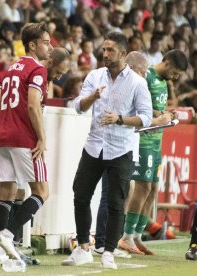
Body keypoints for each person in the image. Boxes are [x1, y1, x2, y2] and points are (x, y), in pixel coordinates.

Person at [61, 31, 153, 270]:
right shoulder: (94, 75)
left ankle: (109, 251)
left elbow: (145, 118)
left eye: (110, 50)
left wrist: (120, 119)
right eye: (104, 49)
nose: (105, 54)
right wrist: (93, 96)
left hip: (121, 149)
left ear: (122, 54)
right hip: (94, 145)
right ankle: (83, 247)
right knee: (80, 194)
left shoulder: (138, 82)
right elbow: (78, 107)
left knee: (115, 202)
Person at [0, 46, 70, 266]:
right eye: (60, 71)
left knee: (7, 190)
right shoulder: (38, 70)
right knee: (42, 192)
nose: (59, 76)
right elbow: (33, 105)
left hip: (4, 137)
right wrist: (42, 138)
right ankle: (7, 236)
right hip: (24, 138)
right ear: (50, 60)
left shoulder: (13, 67)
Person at [119, 49, 188, 256]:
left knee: (153, 188)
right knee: (142, 186)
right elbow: (138, 107)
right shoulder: (145, 75)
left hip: (157, 140)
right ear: (166, 63)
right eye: (175, 72)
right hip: (143, 139)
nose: (175, 78)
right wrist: (160, 114)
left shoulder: (163, 82)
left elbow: (156, 107)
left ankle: (138, 234)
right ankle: (126, 236)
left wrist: (167, 113)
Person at [93, 51, 151, 259]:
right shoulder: (120, 88)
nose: (145, 76)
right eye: (143, 72)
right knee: (111, 195)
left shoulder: (136, 88)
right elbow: (120, 118)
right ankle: (102, 242)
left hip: (126, 148)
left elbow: (140, 119)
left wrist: (153, 122)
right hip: (113, 149)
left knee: (119, 194)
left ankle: (108, 242)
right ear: (133, 68)